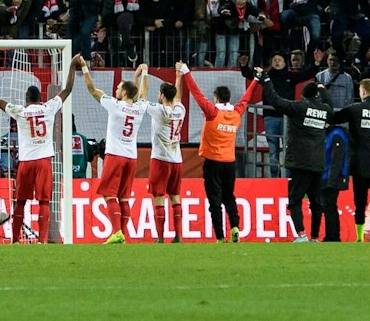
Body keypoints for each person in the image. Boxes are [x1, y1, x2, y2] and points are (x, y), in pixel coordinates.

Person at [182, 62, 260, 241]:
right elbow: (246, 98)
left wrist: (187, 72)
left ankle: (220, 237)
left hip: (212, 163)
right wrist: (255, 80)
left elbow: (197, 94)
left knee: (214, 201)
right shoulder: (236, 113)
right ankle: (234, 227)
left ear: (216, 98)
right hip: (229, 163)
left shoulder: (212, 112)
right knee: (229, 197)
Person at [79, 55, 151, 244]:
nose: (116, 90)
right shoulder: (140, 108)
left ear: (124, 92)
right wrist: (144, 74)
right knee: (124, 197)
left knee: (109, 194)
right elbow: (142, 94)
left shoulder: (115, 105)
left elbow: (92, 89)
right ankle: (122, 235)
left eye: (119, 88)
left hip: (115, 155)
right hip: (131, 157)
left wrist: (85, 68)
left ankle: (117, 232)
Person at [258, 70, 335, 243]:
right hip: (317, 162)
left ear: (303, 95)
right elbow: (330, 105)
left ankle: (301, 235)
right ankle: (315, 237)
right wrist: (322, 89)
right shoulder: (324, 111)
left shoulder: (299, 107)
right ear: (316, 95)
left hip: (299, 162)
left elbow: (276, 101)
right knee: (316, 202)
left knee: (295, 200)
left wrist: (267, 81)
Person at [0, 64, 63, 244]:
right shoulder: (48, 108)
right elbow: (66, 91)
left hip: (26, 162)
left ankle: (14, 240)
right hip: (43, 161)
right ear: (40, 97)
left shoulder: (21, 111)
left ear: (26, 98)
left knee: (20, 202)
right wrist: (73, 67)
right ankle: (42, 241)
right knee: (44, 202)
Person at [331, 77, 370, 241]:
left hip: (359, 164)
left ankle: (359, 237)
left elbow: (334, 118)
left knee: (360, 202)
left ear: (363, 91)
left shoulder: (355, 109)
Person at [146, 69, 190, 241]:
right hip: (176, 160)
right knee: (175, 196)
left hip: (160, 159)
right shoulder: (181, 110)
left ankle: (160, 237)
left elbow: (141, 100)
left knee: (158, 197)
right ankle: (178, 235)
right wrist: (179, 77)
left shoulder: (159, 111)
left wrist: (142, 76)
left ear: (162, 95)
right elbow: (178, 97)